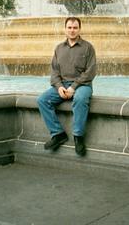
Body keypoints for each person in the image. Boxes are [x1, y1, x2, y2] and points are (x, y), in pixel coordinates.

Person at [37, 17, 96, 157]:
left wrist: (73, 87)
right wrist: (59, 87)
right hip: (62, 86)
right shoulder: (59, 48)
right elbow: (54, 72)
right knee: (42, 100)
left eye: (75, 27)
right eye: (69, 27)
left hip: (82, 85)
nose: (72, 30)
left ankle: (78, 137)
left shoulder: (88, 47)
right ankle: (58, 134)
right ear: (65, 29)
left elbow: (91, 71)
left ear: (79, 29)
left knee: (80, 100)